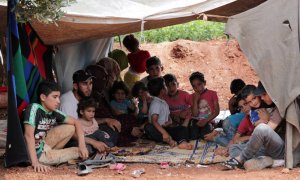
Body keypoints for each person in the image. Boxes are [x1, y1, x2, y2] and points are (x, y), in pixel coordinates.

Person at [23, 81, 89, 172]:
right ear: (43, 97)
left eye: (58, 97)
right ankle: (48, 158)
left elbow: (76, 122)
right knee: (77, 152)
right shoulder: (34, 108)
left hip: (44, 145)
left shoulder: (53, 111)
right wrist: (35, 162)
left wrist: (82, 145)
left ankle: (53, 154)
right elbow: (28, 136)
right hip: (34, 153)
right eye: (55, 97)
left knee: (71, 128)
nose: (58, 101)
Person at [223, 81, 285, 171]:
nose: (262, 98)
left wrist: (266, 119)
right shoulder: (255, 112)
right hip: (266, 147)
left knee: (262, 128)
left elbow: (265, 129)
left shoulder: (280, 106)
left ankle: (241, 159)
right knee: (234, 148)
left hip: (280, 149)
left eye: (263, 95)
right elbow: (258, 129)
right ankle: (267, 160)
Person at [144, 77, 193, 150]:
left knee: (182, 129)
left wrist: (169, 121)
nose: (168, 88)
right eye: (165, 86)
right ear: (162, 90)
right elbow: (154, 121)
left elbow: (168, 116)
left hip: (166, 128)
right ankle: (170, 141)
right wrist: (164, 133)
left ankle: (182, 142)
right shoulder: (156, 103)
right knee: (149, 127)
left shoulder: (163, 101)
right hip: (158, 130)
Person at [189, 71, 220, 139]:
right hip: (196, 120)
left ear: (204, 83)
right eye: (194, 86)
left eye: (199, 84)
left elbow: (217, 111)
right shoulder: (192, 96)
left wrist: (206, 121)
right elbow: (195, 114)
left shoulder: (212, 93)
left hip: (208, 119)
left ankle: (213, 127)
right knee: (193, 136)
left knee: (205, 137)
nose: (197, 88)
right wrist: (195, 100)